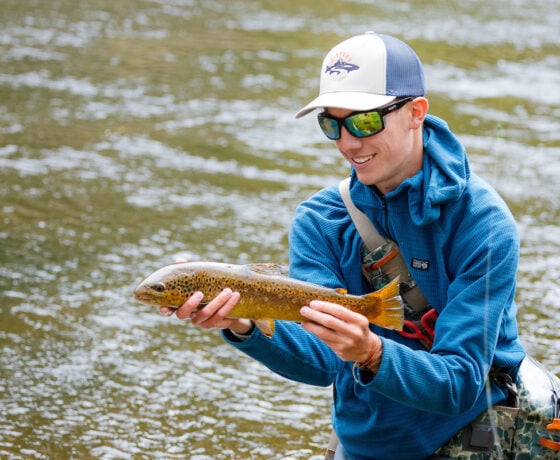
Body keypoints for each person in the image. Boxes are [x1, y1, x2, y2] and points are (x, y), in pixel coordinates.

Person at [161, 32, 528, 459]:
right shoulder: (321, 220)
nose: (348, 142)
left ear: (415, 113)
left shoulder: (481, 224)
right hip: (364, 445)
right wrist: (240, 323)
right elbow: (321, 364)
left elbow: (461, 382)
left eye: (365, 120)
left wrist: (371, 352)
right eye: (331, 123)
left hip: (472, 439)